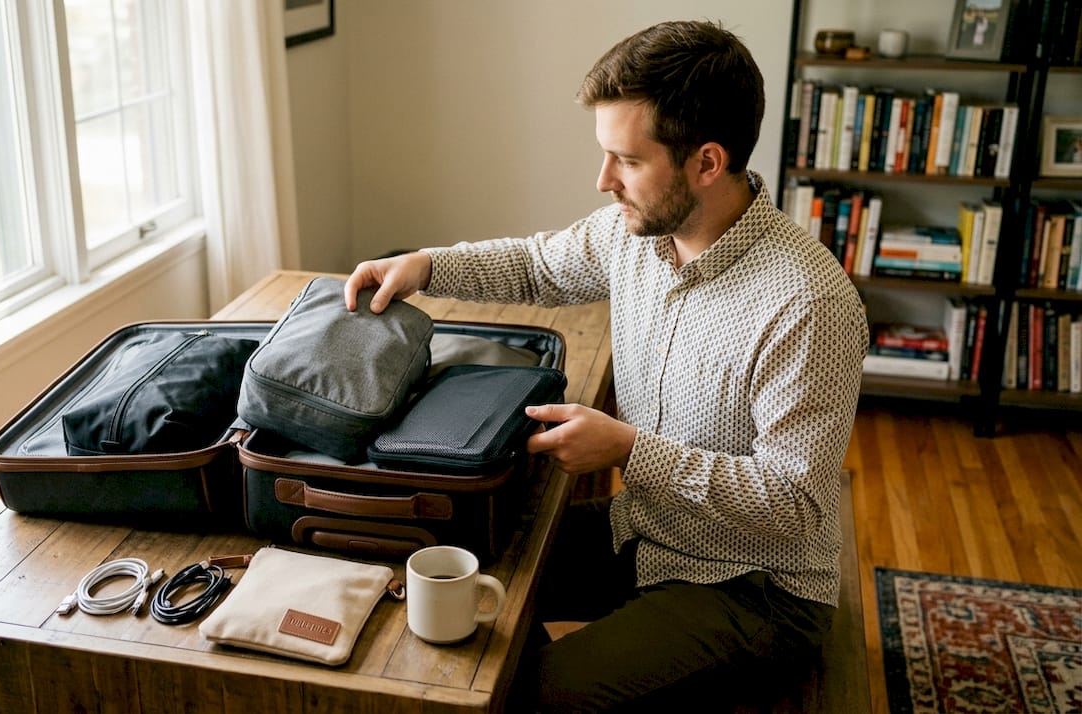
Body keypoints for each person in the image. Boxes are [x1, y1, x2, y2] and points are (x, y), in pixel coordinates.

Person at [344, 19, 868, 712]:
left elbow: (797, 508)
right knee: (466, 558)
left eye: (626, 159)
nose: (602, 181)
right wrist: (425, 264)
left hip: (756, 588)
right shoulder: (637, 236)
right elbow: (535, 264)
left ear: (707, 163)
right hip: (650, 531)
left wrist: (628, 449)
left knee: (530, 693)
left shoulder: (809, 303)